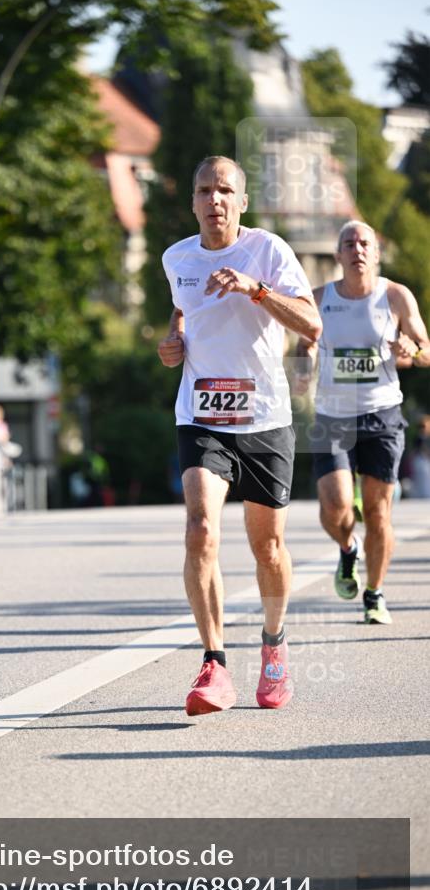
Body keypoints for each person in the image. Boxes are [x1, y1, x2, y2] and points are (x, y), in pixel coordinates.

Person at [158, 155, 321, 716]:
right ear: (194, 201)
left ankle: (273, 648)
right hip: (201, 415)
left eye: (225, 190)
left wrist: (255, 290)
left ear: (241, 202)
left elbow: (310, 322)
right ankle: (214, 664)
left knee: (267, 547)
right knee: (200, 528)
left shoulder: (268, 251)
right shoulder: (175, 257)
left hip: (265, 417)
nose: (215, 199)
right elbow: (183, 316)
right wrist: (171, 342)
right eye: (205, 190)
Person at [294, 220, 429, 623]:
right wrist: (305, 363)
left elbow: (425, 348)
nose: (357, 249)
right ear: (338, 255)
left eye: (364, 243)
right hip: (333, 417)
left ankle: (374, 594)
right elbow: (303, 347)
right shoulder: (318, 299)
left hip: (382, 415)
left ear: (376, 252)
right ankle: (347, 548)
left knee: (378, 511)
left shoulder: (395, 296)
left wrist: (411, 346)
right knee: (334, 508)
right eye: (348, 243)